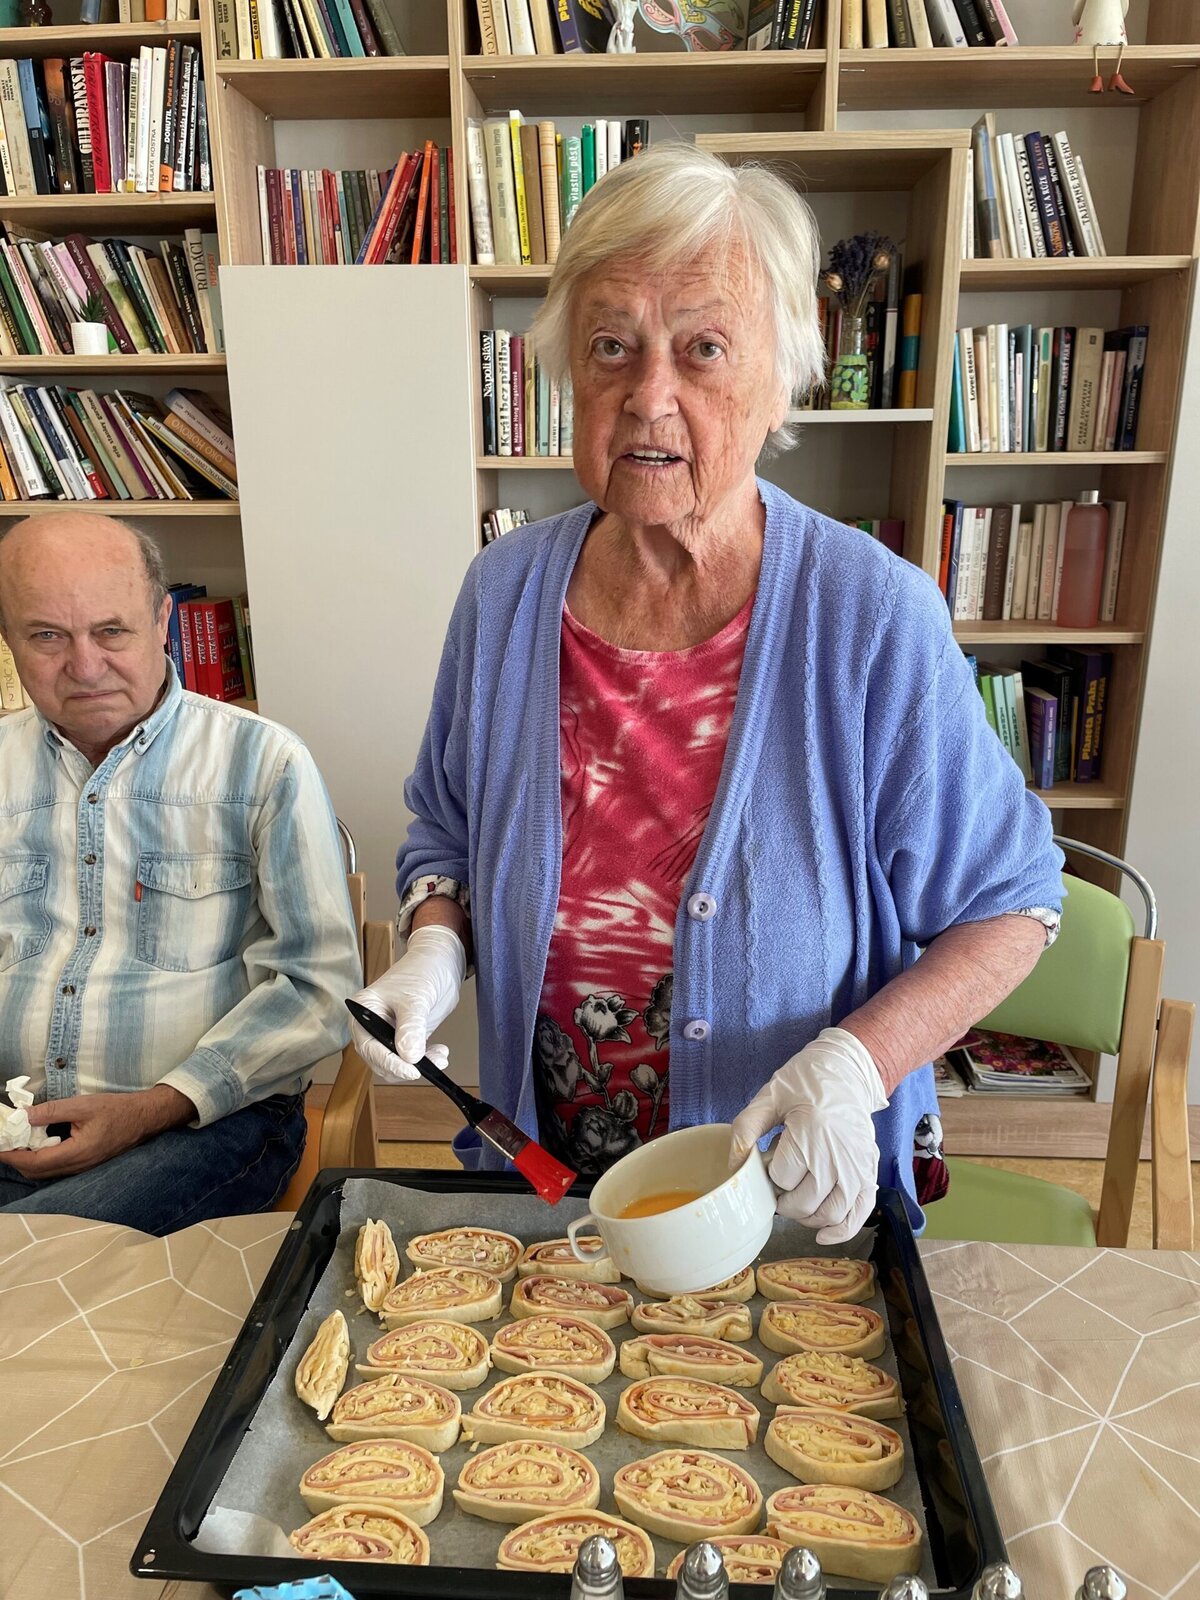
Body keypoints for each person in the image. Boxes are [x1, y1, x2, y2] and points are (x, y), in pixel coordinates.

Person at [350, 144, 1064, 1240]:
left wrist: (857, 1064)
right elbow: (446, 830)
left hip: (782, 1202)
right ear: (567, 371)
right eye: (612, 346)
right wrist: (434, 948)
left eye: (704, 348)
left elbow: (1012, 905)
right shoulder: (503, 593)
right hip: (548, 1198)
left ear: (781, 377)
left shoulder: (870, 612)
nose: (650, 396)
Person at [0, 513, 361, 1233]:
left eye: (112, 631)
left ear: (162, 620)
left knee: (36, 1250)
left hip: (199, 1125)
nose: (85, 666)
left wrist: (152, 1108)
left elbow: (320, 987)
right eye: (47, 636)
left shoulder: (264, 764)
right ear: (8, 639)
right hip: (15, 1122)